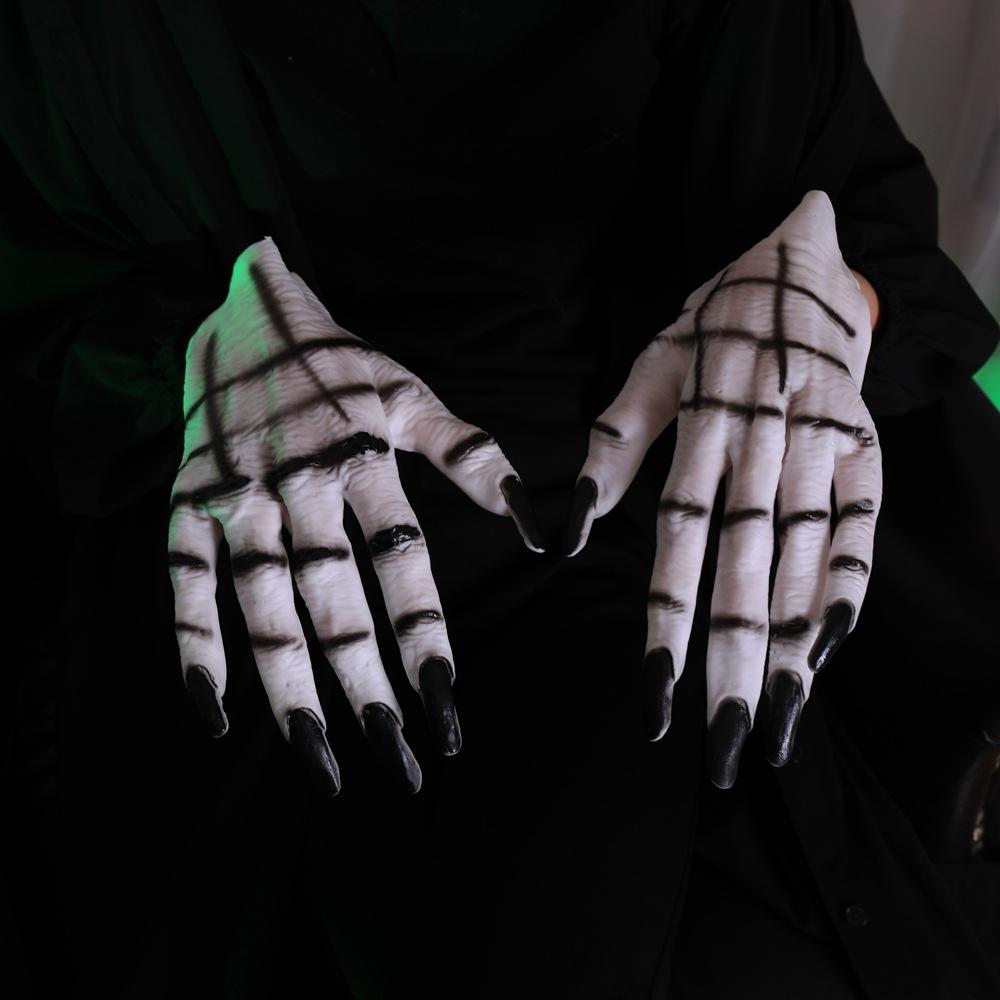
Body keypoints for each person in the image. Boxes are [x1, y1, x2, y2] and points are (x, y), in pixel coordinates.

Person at [4, 0, 999, 997]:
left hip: (642, 530)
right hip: (272, 550)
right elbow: (38, 309)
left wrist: (823, 307)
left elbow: (852, 221)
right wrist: (193, 349)